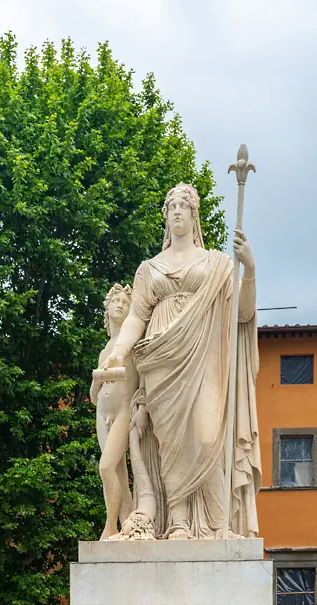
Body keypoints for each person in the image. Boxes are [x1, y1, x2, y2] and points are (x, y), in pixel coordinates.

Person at [102, 183, 261, 540]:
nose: (177, 211)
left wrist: (248, 270)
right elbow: (135, 318)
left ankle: (216, 524)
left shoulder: (218, 265)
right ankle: (176, 520)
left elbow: (244, 312)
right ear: (166, 217)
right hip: (160, 358)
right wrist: (119, 350)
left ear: (194, 215)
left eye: (183, 206)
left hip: (204, 357)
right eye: (171, 206)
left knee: (206, 437)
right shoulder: (148, 269)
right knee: (167, 443)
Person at [90, 284, 138, 540]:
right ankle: (127, 525)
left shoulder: (130, 344)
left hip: (123, 411)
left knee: (105, 467)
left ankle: (110, 527)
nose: (119, 305)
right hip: (103, 415)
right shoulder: (104, 349)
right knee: (118, 473)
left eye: (125, 302)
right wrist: (98, 380)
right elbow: (92, 396)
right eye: (115, 301)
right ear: (107, 308)